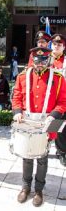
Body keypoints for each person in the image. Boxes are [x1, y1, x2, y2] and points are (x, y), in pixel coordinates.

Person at [12, 47, 66, 207]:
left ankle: (39, 190)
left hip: (50, 121)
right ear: (32, 60)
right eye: (37, 60)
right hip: (28, 121)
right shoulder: (22, 76)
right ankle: (25, 187)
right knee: (27, 155)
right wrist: (16, 111)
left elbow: (63, 102)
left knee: (43, 157)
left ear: (48, 60)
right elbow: (16, 96)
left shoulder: (59, 78)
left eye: (44, 60)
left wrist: (53, 116)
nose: (40, 63)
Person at [49, 34, 66, 166]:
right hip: (48, 100)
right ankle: (45, 147)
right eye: (54, 44)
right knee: (48, 126)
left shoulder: (65, 60)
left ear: (63, 46)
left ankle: (60, 151)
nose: (56, 46)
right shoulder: (45, 58)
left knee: (60, 127)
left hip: (62, 100)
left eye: (59, 44)